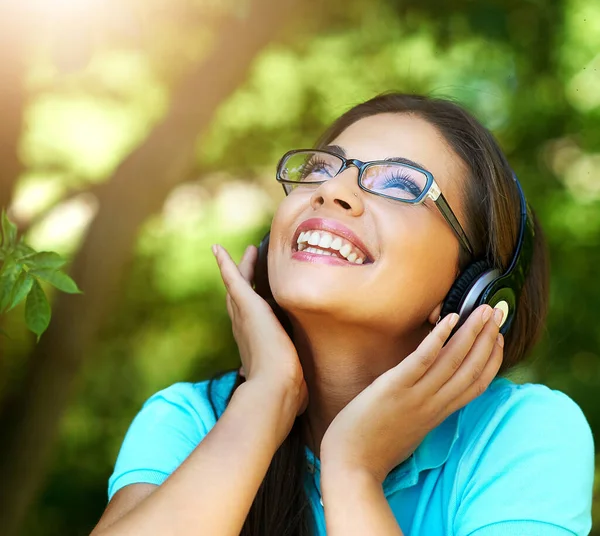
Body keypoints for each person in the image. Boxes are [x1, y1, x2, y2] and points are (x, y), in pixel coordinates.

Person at [91, 93, 594, 536]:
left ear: (473, 289)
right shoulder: (191, 420)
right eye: (320, 170)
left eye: (400, 184)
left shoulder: (522, 433)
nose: (331, 192)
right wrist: (266, 398)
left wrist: (354, 469)